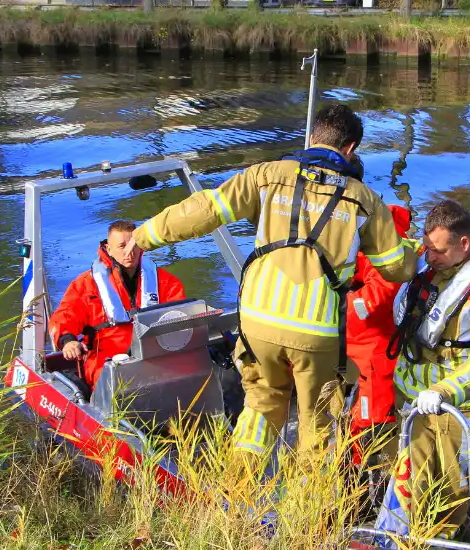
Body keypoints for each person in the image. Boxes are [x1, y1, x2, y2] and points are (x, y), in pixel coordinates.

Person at [131, 103, 418, 459]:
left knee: (260, 405)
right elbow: (397, 268)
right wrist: (414, 249)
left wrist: (144, 235)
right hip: (316, 332)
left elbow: (204, 210)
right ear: (351, 149)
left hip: (258, 322)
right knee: (318, 422)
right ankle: (308, 510)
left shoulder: (266, 175)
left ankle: (238, 492)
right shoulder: (364, 201)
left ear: (312, 137)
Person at [385, 199, 470, 537]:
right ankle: (399, 540)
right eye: (428, 249)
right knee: (407, 476)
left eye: (439, 252)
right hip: (411, 400)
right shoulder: (428, 264)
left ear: (463, 244)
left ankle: (441, 547)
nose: (430, 258)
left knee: (452, 487)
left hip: (457, 406)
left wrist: (443, 391)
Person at [48, 219, 187, 388]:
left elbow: (182, 316)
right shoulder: (86, 284)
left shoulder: (164, 282)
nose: (129, 252)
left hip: (155, 354)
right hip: (106, 361)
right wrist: (68, 341)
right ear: (109, 249)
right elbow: (64, 316)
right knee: (120, 385)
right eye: (122, 246)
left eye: (134, 245)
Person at [344, 204, 413, 465]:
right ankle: (356, 469)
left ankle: (374, 481)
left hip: (375, 355)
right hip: (356, 352)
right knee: (355, 416)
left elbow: (375, 300)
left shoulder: (390, 246)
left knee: (373, 420)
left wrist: (334, 307)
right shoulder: (363, 238)